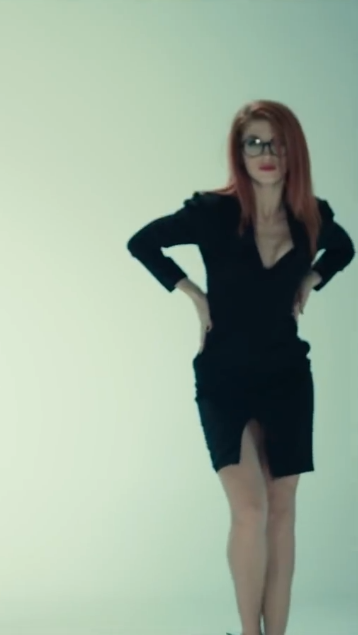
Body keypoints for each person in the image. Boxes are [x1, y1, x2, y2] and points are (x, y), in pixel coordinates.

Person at [127, 99, 353, 635]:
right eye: (254, 142)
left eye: (277, 142)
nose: (266, 152)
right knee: (250, 509)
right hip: (224, 377)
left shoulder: (311, 216)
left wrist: (311, 279)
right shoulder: (213, 212)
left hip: (287, 376)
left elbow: (343, 249)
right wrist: (193, 294)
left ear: (293, 150)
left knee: (282, 510)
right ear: (240, 152)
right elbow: (142, 242)